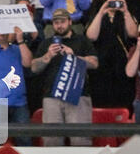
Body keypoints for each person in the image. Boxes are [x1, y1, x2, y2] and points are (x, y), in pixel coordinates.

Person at [31, 9, 98, 146]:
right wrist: (48, 56)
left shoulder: (82, 40)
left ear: (70, 22)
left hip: (77, 96)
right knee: (51, 141)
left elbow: (94, 63)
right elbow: (34, 67)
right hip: (52, 96)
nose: (59, 25)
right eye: (56, 23)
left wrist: (73, 56)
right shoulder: (46, 43)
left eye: (62, 22)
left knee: (80, 140)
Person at [86, 0, 138, 112]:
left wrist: (125, 12)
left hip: (122, 63)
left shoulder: (127, 15)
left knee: (123, 97)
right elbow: (91, 36)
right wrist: (101, 12)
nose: (114, 1)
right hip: (102, 63)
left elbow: (133, 34)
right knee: (101, 97)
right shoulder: (98, 15)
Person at [0, 24, 33, 146]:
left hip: (19, 102)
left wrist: (20, 40)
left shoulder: (16, 48)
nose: (0, 31)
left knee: (25, 141)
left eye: (3, 27)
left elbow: (28, 63)